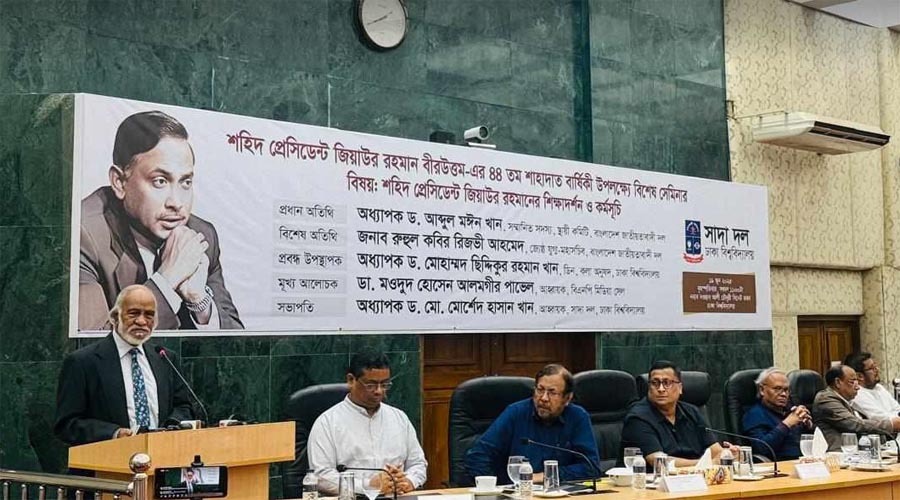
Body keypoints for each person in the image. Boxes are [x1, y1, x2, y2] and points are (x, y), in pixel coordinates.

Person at [79, 110, 242, 331]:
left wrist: (199, 302)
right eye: (160, 181)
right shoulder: (84, 234)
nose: (177, 203)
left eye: (185, 182)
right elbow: (92, 344)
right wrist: (166, 281)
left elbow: (237, 344)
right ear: (119, 182)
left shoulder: (201, 235)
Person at [54, 284, 194, 446]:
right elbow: (67, 424)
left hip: (161, 453)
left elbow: (184, 407)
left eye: (149, 315)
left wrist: (171, 426)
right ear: (115, 317)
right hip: (108, 457)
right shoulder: (83, 362)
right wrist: (113, 433)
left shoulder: (165, 358)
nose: (141, 321)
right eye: (133, 313)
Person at [308, 351, 427, 495]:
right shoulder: (327, 422)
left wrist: (408, 481)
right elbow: (321, 477)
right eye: (371, 385)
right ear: (351, 380)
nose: (379, 391)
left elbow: (418, 464)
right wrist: (368, 486)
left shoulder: (399, 418)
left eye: (385, 384)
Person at [464, 364, 600, 484]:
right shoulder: (516, 413)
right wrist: (495, 489)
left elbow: (591, 467)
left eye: (552, 393)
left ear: (567, 398)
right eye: (540, 390)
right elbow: (477, 457)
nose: (544, 398)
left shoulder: (577, 417)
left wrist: (544, 476)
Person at [621, 360, 736, 469]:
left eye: (667, 383)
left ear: (680, 388)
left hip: (694, 478)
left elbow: (715, 451)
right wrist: (706, 464)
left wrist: (728, 455)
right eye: (655, 383)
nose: (661, 389)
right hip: (652, 480)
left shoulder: (692, 412)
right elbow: (658, 461)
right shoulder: (637, 418)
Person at [812, 364, 900, 451]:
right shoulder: (825, 399)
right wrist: (891, 424)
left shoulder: (846, 401)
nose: (857, 387)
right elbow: (854, 424)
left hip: (855, 453)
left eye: (857, 381)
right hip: (836, 455)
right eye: (852, 382)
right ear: (838, 382)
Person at [741, 368, 812, 460]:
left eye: (786, 390)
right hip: (779, 464)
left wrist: (808, 426)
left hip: (804, 461)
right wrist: (787, 424)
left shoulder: (791, 410)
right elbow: (762, 448)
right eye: (777, 389)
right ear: (762, 390)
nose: (783, 394)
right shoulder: (754, 415)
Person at [844, 352, 900, 420]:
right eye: (873, 368)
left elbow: (897, 409)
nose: (877, 370)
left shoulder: (878, 387)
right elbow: (881, 418)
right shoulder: (857, 394)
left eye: (875, 366)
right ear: (859, 376)